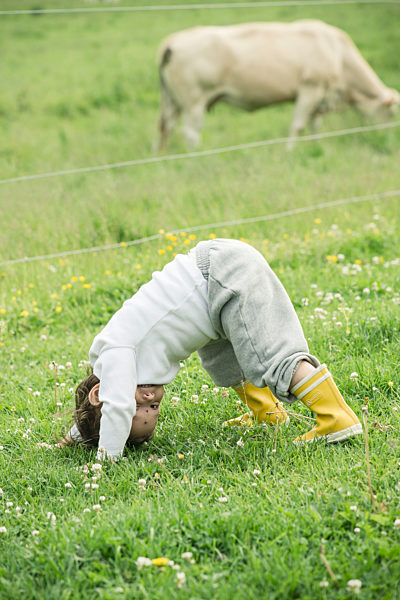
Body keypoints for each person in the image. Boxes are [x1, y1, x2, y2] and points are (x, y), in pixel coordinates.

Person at [64, 238, 362, 460]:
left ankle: (335, 417)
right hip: (212, 294)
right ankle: (267, 412)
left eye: (137, 407)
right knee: (224, 360)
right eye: (153, 407)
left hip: (221, 273)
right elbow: (99, 411)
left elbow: (113, 406)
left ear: (100, 393)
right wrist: (74, 435)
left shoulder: (114, 354)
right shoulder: (112, 369)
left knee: (270, 355)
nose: (148, 397)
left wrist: (108, 460)